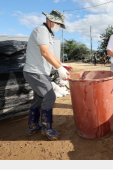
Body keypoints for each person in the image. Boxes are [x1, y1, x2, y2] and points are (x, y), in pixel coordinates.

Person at [22, 10, 69, 140]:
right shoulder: (41, 30)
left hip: (37, 71)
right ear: (50, 21)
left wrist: (61, 65)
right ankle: (46, 129)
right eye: (57, 23)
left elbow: (51, 54)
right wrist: (59, 67)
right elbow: (44, 52)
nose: (58, 26)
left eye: (60, 24)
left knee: (39, 98)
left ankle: (33, 126)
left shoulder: (48, 34)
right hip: (35, 71)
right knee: (50, 96)